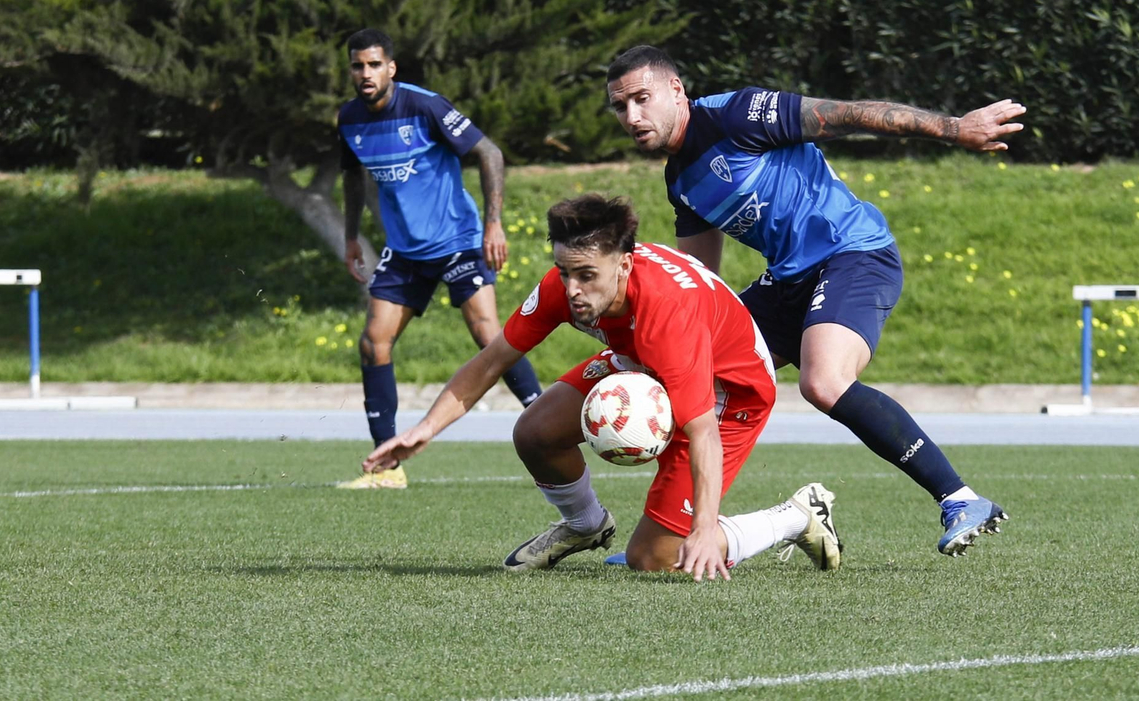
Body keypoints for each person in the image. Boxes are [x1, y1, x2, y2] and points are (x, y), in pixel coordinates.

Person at [603, 44, 1025, 556]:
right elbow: (698, 280)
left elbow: (849, 114)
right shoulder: (681, 181)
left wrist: (953, 129)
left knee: (823, 382)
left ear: (676, 90)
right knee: (690, 372)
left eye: (642, 99)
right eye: (621, 107)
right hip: (786, 281)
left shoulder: (738, 115)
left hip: (853, 253)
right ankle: (672, 537)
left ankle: (961, 498)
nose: (632, 116)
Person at [365, 194, 841, 577]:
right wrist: (424, 429)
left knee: (656, 559)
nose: (572, 289)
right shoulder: (567, 284)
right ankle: (584, 525)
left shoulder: (667, 314)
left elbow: (702, 432)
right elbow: (492, 361)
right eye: (565, 272)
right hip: (644, 361)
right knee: (534, 432)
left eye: (587, 276)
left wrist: (703, 527)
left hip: (729, 390)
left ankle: (797, 515)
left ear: (625, 266)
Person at [335, 28, 544, 489]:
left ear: (391, 67)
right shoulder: (349, 119)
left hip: (458, 240)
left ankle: (547, 417)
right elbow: (352, 178)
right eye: (357, 65)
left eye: (374, 64)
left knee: (488, 334)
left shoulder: (425, 106)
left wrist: (493, 223)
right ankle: (387, 469)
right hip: (406, 251)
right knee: (374, 341)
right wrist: (352, 237)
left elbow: (489, 152)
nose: (365, 73)